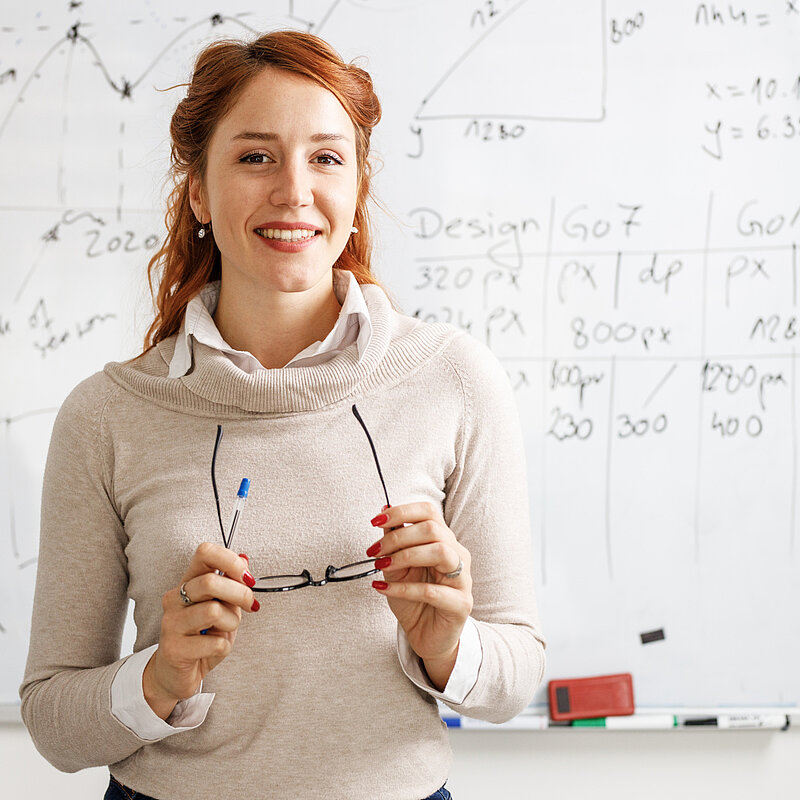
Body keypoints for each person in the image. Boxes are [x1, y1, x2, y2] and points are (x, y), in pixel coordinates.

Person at [20, 30, 545, 800]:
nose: (294, 191)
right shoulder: (108, 415)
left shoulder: (452, 379)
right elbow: (53, 720)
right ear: (197, 189)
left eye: (327, 158)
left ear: (358, 186)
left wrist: (449, 646)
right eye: (255, 156)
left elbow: (516, 675)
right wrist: (161, 677)